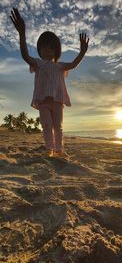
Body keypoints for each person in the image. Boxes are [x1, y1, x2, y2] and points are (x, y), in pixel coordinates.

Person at [10, 8, 89, 158]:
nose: (48, 50)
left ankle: (59, 149)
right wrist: (22, 34)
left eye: (51, 48)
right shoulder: (38, 63)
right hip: (43, 102)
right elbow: (25, 55)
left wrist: (82, 52)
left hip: (57, 101)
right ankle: (49, 149)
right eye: (44, 47)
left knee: (58, 126)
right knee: (46, 125)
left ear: (56, 51)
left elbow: (73, 64)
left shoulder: (60, 66)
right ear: (40, 49)